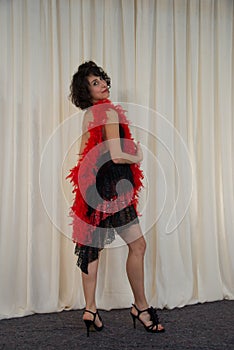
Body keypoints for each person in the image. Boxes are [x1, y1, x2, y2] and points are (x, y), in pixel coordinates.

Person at [67, 61, 165, 337]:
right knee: (138, 245)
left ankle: (90, 309)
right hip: (111, 186)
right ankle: (142, 308)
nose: (103, 84)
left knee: (91, 245)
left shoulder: (90, 115)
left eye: (101, 79)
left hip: (91, 184)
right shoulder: (108, 111)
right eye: (95, 83)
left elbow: (86, 153)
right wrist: (138, 154)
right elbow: (117, 155)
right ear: (87, 92)